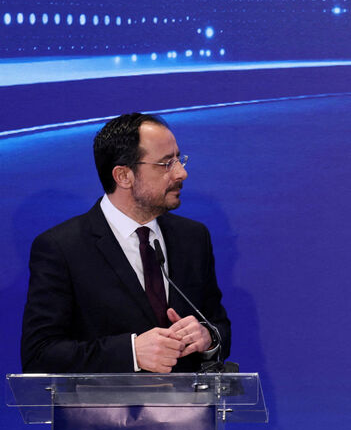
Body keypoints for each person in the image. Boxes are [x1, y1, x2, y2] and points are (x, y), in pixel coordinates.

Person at [21, 113, 231, 373]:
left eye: (179, 159)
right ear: (123, 176)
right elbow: (39, 354)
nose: (182, 173)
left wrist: (208, 337)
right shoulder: (62, 248)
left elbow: (218, 324)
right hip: (105, 401)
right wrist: (131, 353)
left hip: (187, 399)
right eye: (166, 163)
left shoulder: (193, 237)